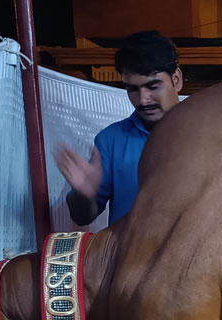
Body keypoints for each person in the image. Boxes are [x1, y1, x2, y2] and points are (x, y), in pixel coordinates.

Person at [54, 31, 184, 227]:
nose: (143, 100)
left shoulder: (207, 132)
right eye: (132, 89)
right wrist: (84, 195)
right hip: (130, 256)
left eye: (153, 86)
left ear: (176, 80)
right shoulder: (110, 140)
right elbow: (82, 217)